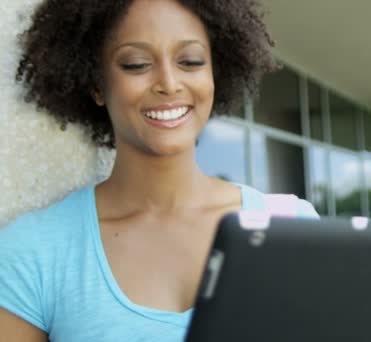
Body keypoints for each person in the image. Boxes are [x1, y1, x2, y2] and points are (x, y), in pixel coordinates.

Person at [0, 0, 319, 340]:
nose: (169, 83)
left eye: (191, 62)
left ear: (215, 73)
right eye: (136, 64)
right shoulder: (34, 251)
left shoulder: (292, 229)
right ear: (97, 85)